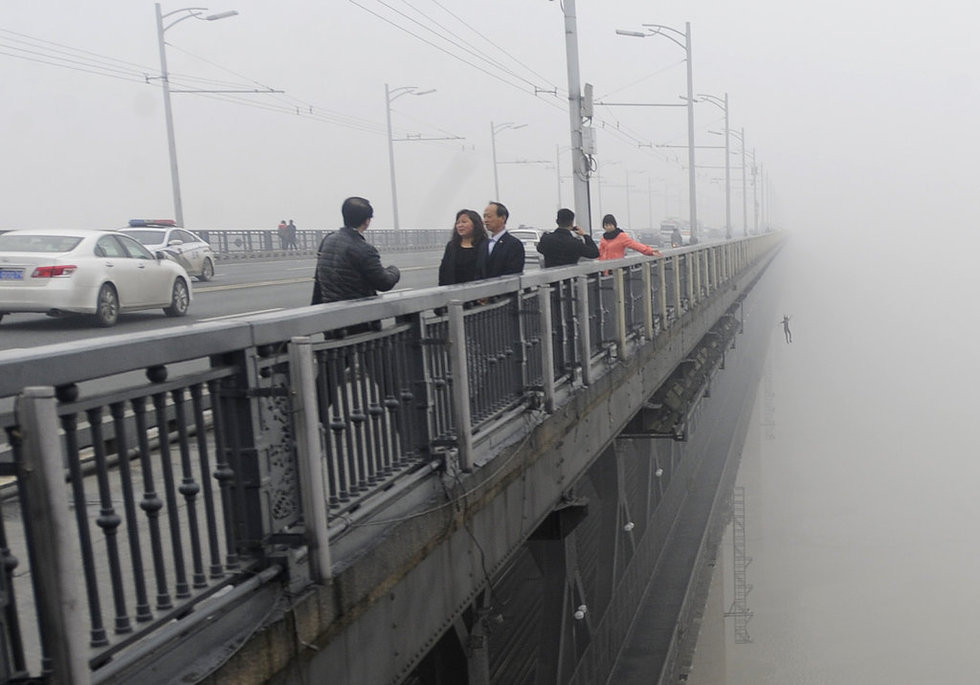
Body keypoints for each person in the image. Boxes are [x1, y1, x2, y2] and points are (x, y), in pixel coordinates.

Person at [311, 197, 400, 323]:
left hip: (331, 320)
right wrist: (394, 271)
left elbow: (318, 281)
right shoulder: (364, 248)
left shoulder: (328, 240)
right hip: (358, 320)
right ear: (367, 221)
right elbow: (384, 283)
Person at [475, 201, 525, 279]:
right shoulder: (483, 245)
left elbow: (513, 273)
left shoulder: (514, 244)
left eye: (489, 216)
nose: (485, 220)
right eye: (484, 217)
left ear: (502, 218)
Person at [438, 209, 488, 285]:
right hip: (454, 293)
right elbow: (443, 271)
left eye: (464, 222)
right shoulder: (451, 246)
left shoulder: (485, 245)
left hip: (478, 292)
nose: (460, 225)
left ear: (475, 224)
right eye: (458, 223)